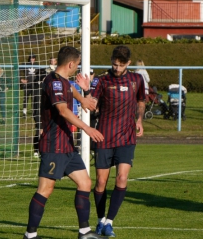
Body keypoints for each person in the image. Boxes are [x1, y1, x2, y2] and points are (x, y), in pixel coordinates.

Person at [23, 46, 106, 239]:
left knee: (85, 183)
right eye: (77, 65)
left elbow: (70, 88)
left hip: (66, 145)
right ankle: (30, 235)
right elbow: (62, 111)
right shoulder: (53, 82)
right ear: (70, 64)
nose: (77, 68)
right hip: (53, 145)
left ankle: (84, 233)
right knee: (45, 189)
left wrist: (83, 100)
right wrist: (87, 128)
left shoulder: (62, 81)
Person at [76, 45, 146, 237]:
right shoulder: (101, 79)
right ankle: (100, 221)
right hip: (104, 136)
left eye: (121, 65)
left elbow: (141, 100)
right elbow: (92, 105)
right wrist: (86, 92)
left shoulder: (136, 79)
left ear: (128, 64)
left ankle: (109, 222)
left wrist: (139, 119)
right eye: (114, 64)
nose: (117, 68)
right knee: (100, 181)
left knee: (122, 178)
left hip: (126, 137)